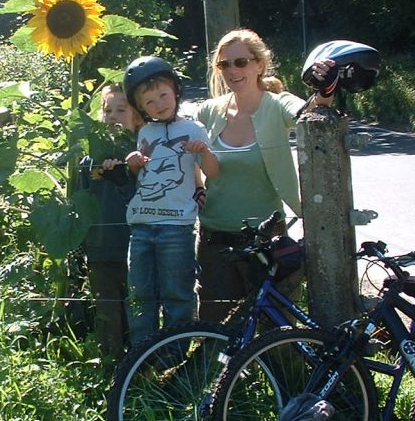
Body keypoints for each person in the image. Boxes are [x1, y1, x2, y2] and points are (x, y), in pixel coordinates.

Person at [195, 28, 335, 323]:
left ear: (260, 65)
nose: (233, 71)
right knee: (216, 334)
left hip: (266, 241)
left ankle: (286, 372)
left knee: (277, 333)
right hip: (215, 240)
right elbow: (184, 146)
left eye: (241, 62)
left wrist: (325, 90)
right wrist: (197, 188)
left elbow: (308, 112)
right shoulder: (209, 112)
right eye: (224, 64)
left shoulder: (277, 103)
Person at [122, 56, 220, 345]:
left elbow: (212, 172)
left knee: (178, 294)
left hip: (177, 226)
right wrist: (133, 163)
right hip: (141, 225)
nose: (159, 104)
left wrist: (203, 152)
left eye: (163, 95)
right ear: (140, 107)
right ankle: (142, 358)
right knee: (140, 294)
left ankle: (175, 358)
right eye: (149, 102)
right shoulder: (145, 132)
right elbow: (142, 176)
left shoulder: (193, 129)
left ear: (176, 91)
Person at [78, 84, 143, 364]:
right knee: (107, 310)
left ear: (137, 117)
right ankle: (111, 367)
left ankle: (140, 364)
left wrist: (124, 177)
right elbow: (79, 202)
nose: (113, 116)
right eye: (107, 110)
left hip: (136, 247)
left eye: (121, 109)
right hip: (100, 247)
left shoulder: (140, 154)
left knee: (137, 310)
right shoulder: (88, 159)